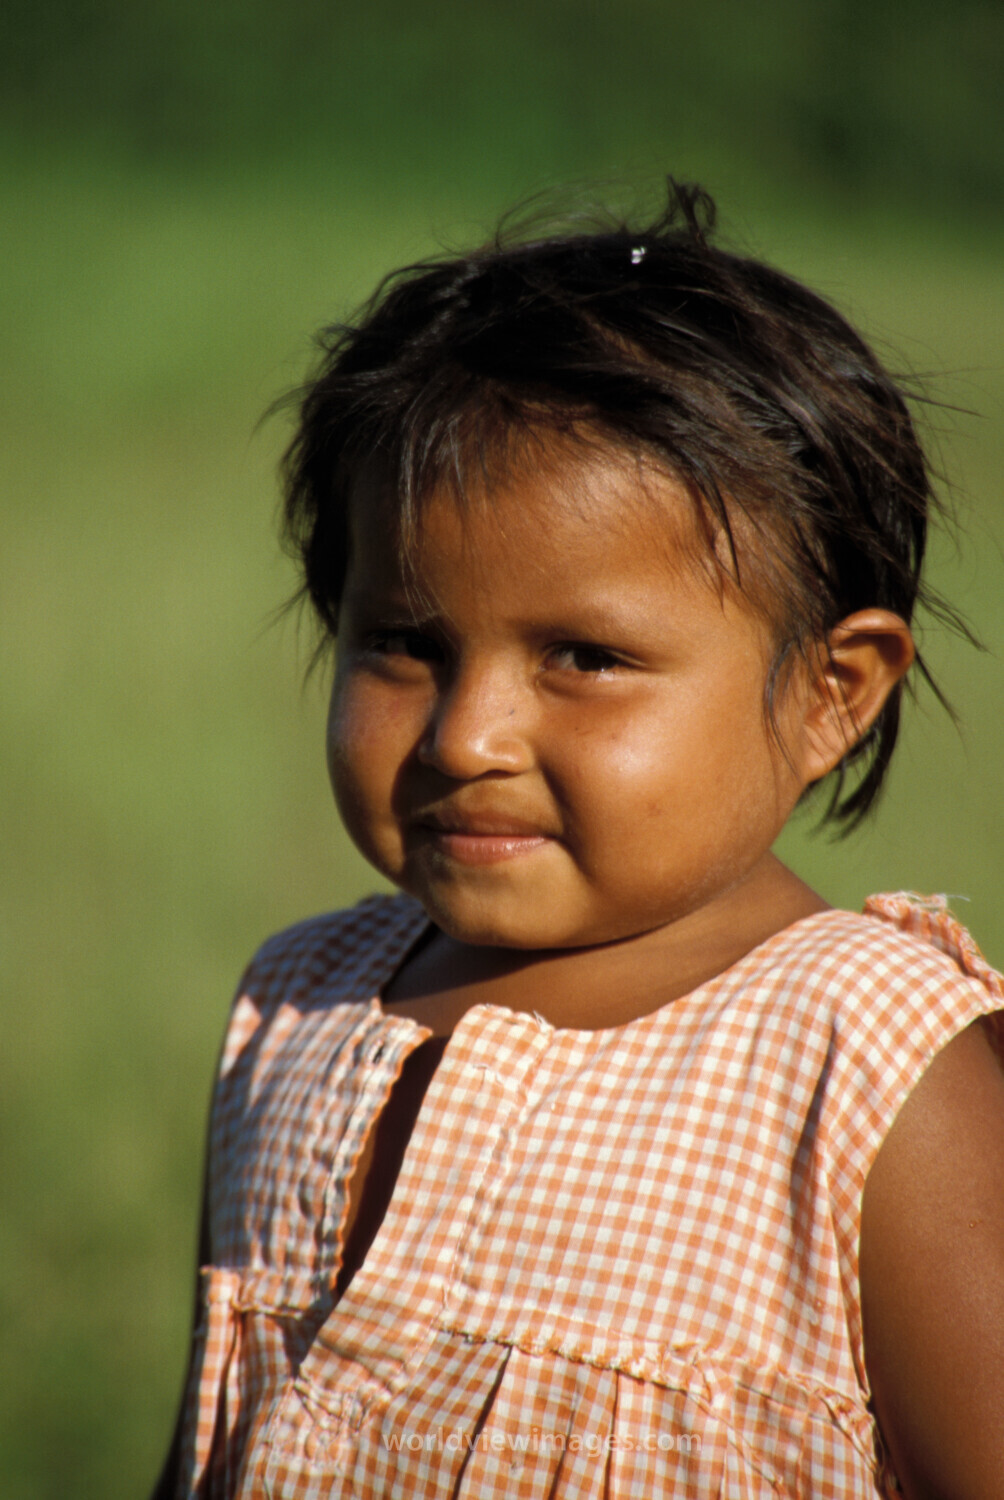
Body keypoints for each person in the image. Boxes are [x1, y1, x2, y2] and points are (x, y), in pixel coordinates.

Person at [154, 182, 1004, 1499]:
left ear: (833, 692)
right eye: (404, 644)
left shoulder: (870, 1062)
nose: (466, 737)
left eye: (587, 657)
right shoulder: (295, 1005)